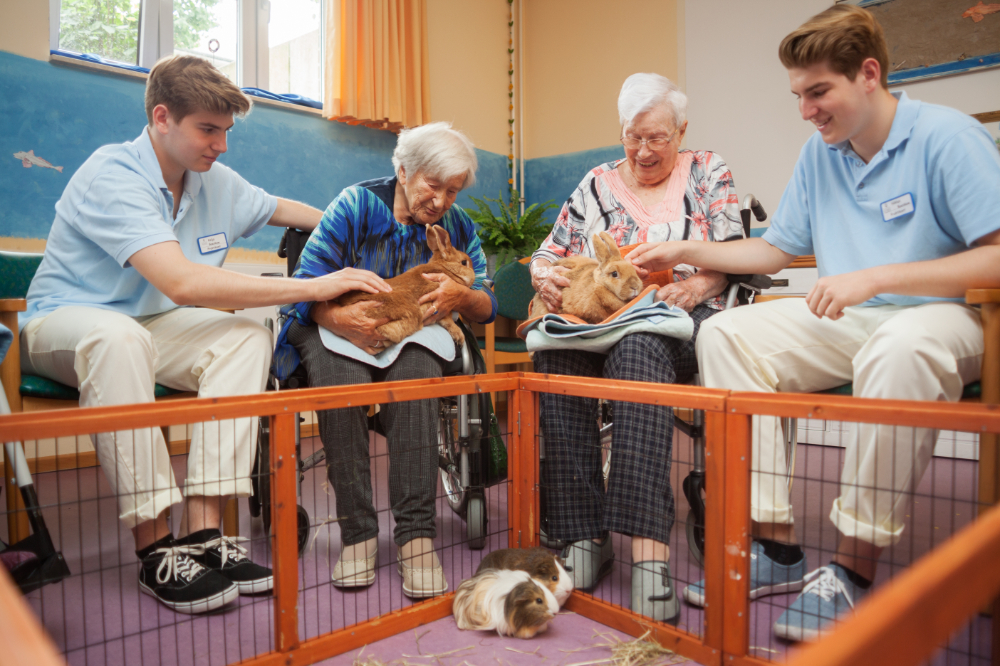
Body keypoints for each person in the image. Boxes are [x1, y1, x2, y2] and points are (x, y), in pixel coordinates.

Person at [628, 5, 1000, 640]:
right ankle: (776, 545)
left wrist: (878, 277)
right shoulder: (820, 153)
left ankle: (853, 570)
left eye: (819, 91)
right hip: (852, 318)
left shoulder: (949, 136)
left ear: (869, 75)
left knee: (900, 346)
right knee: (724, 334)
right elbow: (774, 250)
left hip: (946, 319)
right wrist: (684, 250)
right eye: (799, 95)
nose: (806, 110)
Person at [19, 55, 391, 615]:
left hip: (152, 326)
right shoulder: (112, 174)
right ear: (163, 118)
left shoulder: (213, 180)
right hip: (65, 323)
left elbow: (284, 208)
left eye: (226, 131)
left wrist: (364, 225)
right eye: (208, 130)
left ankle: (203, 532)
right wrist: (317, 288)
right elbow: (182, 283)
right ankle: (155, 548)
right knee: (119, 340)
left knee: (245, 337)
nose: (220, 145)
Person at [529, 73, 744, 622]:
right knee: (554, 357)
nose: (644, 151)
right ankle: (584, 536)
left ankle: (650, 551)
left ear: (681, 131)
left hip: (676, 322)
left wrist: (697, 284)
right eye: (633, 137)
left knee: (640, 349)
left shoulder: (708, 171)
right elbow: (548, 252)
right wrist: (546, 279)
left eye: (657, 138)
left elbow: (737, 254)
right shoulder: (597, 183)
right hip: (599, 324)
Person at [274, 121, 497, 599]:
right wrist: (336, 319)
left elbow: (489, 303)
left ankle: (416, 536)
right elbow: (301, 289)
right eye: (431, 186)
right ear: (402, 170)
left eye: (452, 191)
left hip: (413, 332)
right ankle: (357, 535)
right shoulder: (355, 204)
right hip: (334, 323)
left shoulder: (456, 227)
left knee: (415, 376)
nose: (440, 201)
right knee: (343, 381)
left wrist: (462, 296)